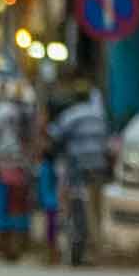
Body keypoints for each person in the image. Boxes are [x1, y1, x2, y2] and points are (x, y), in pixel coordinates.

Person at [47, 83, 109, 264]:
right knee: (96, 209)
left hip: (79, 167)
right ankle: (95, 247)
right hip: (98, 167)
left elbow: (55, 135)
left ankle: (80, 246)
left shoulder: (71, 115)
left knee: (77, 205)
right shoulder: (99, 114)